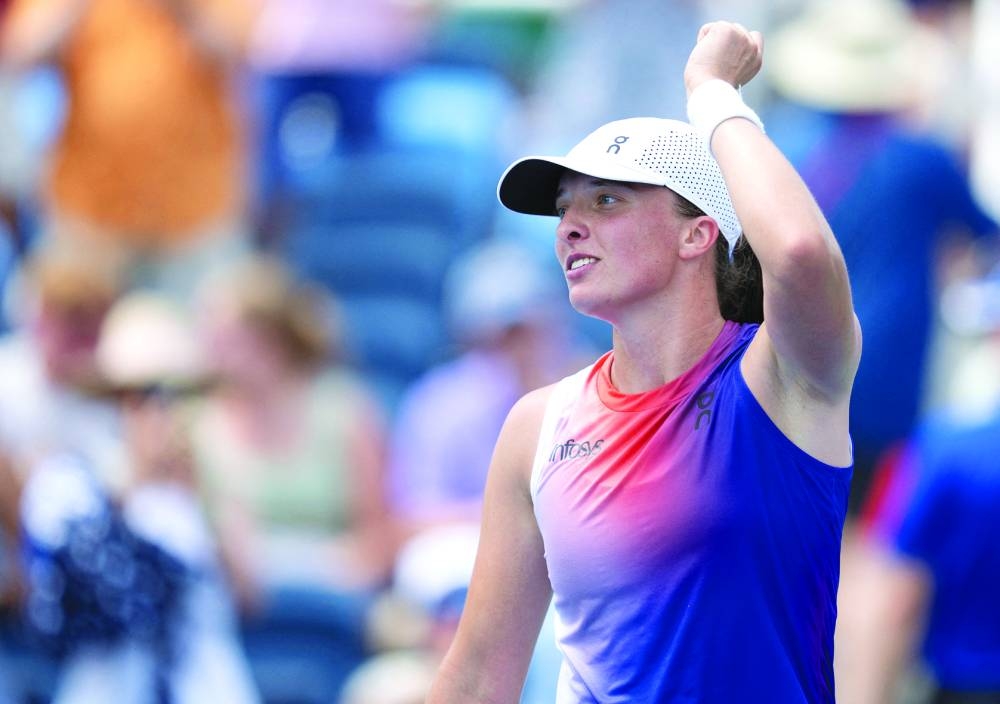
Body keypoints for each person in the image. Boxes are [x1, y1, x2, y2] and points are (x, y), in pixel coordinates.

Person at [426, 20, 860, 703]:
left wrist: (713, 93)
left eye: (607, 200)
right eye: (565, 208)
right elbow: (479, 673)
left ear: (698, 233)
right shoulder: (537, 428)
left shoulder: (782, 379)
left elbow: (801, 253)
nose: (570, 224)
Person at [0, 0, 258, 302]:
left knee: (201, 339)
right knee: (74, 335)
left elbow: (237, 52)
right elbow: (22, 53)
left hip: (194, 212)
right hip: (89, 209)